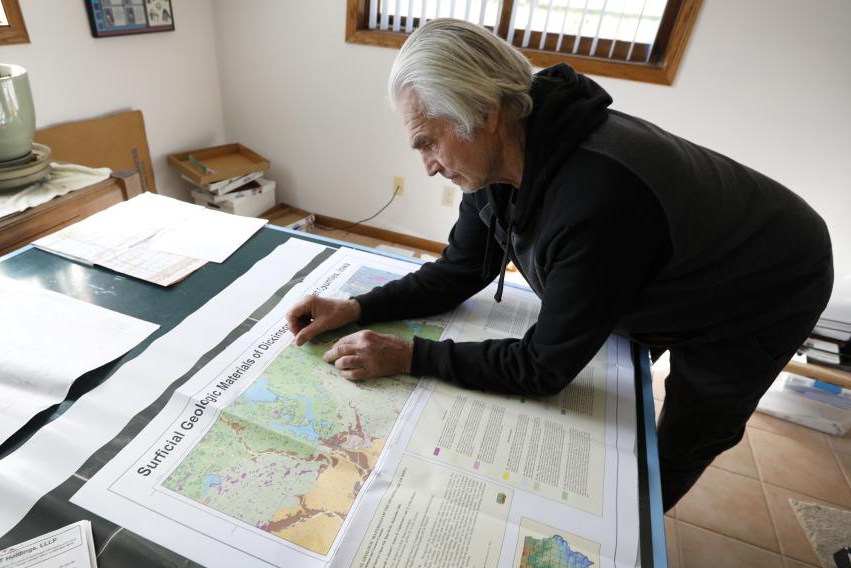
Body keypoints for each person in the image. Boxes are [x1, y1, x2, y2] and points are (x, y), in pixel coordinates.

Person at [285, 18, 833, 511]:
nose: (427, 166)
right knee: (619, 345)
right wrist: (356, 306)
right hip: (676, 248)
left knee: (690, 425)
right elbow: (459, 270)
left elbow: (544, 368)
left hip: (766, 282)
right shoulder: (496, 162)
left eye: (429, 142)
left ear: (485, 114)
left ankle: (639, 531)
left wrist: (409, 356)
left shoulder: (598, 198)